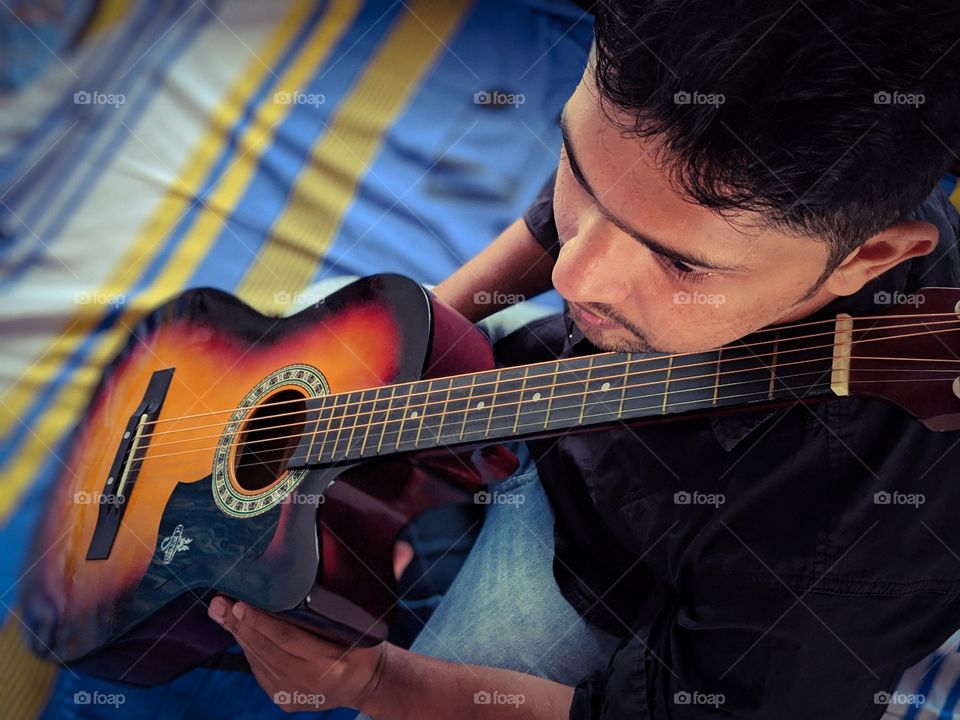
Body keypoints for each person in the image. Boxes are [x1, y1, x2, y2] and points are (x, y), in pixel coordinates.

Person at [207, 1, 960, 717]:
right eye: (580, 174)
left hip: (608, 575)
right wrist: (421, 332)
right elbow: (613, 197)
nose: (574, 277)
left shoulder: (851, 546)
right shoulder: (676, 165)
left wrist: (370, 681)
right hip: (537, 410)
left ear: (871, 259)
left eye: (678, 265)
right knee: (323, 320)